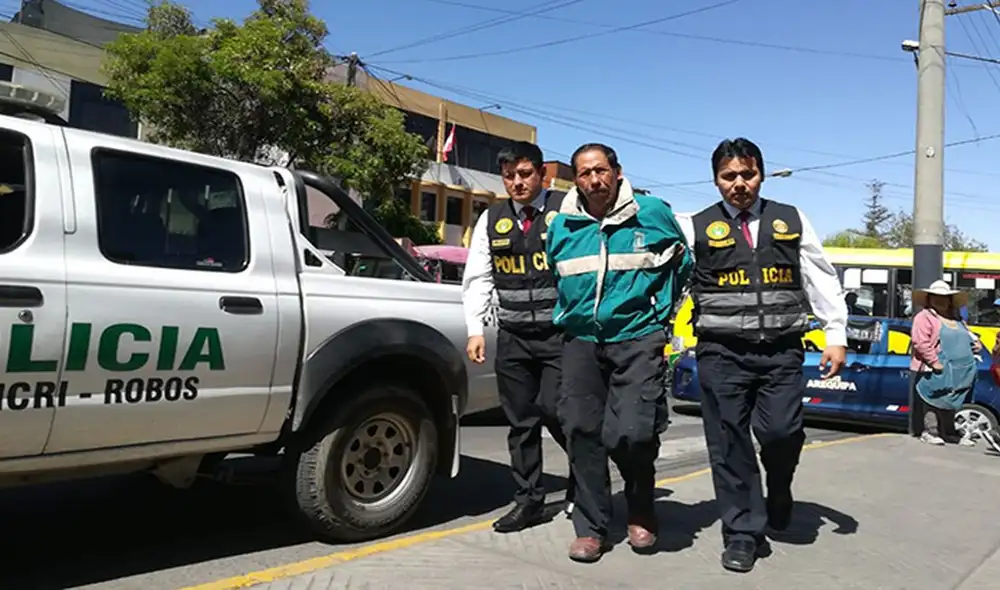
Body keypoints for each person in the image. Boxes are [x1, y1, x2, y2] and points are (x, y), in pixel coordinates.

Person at [676, 137, 848, 573]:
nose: (739, 184)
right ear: (716, 180)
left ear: (762, 174)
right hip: (720, 352)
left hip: (781, 351)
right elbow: (673, 281)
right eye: (728, 176)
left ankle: (780, 484)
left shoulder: (791, 219)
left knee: (781, 433)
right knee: (729, 444)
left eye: (747, 174)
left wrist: (836, 333)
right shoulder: (695, 227)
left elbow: (820, 276)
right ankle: (742, 533)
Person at [546, 143, 692, 563]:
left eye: (601, 170)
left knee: (630, 431)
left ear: (617, 172)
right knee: (581, 430)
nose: (594, 180)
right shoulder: (562, 225)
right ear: (576, 179)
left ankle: (641, 507)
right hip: (580, 339)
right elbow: (557, 272)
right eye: (585, 173)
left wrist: (661, 312)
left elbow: (682, 262)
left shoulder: (652, 213)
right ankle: (591, 528)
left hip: (637, 335)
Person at [461, 141, 573, 533]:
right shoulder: (492, 218)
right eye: (509, 176)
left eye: (525, 174)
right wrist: (475, 330)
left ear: (543, 174)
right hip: (513, 336)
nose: (517, 183)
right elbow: (478, 277)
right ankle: (528, 502)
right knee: (521, 422)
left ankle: (584, 484)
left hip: (560, 336)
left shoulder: (566, 208)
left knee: (559, 413)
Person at [909, 280, 981, 447]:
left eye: (944, 297)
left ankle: (949, 433)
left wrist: (976, 345)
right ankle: (930, 432)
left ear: (950, 300)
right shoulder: (924, 317)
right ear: (929, 299)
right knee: (933, 399)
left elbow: (967, 336)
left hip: (961, 370)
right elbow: (920, 342)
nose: (940, 300)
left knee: (952, 401)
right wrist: (934, 362)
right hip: (939, 368)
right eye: (935, 296)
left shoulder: (957, 319)